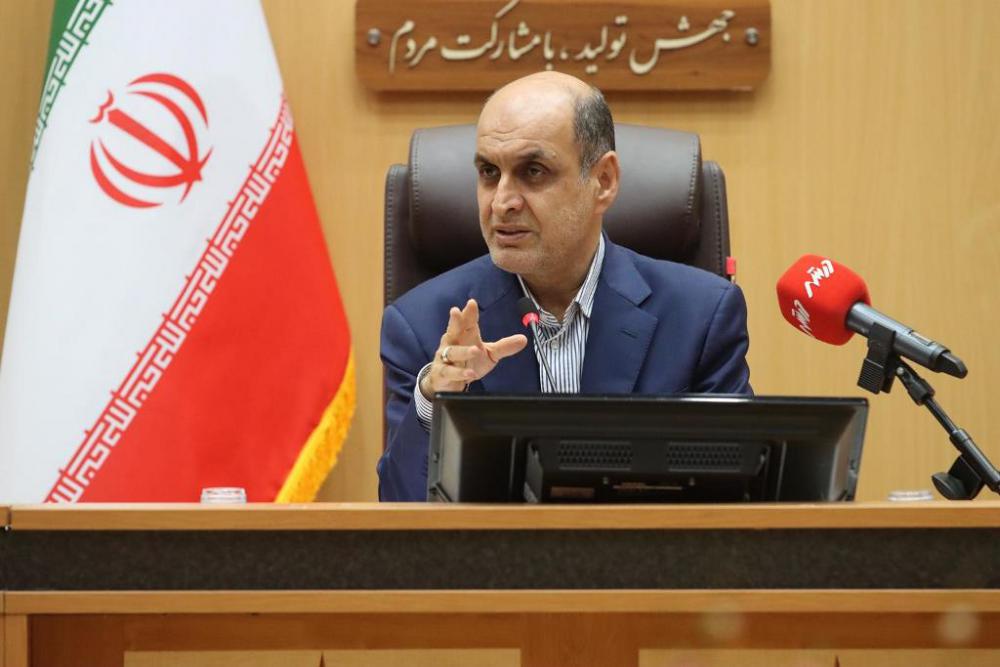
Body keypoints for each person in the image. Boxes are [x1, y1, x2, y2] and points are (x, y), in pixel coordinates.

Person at [378, 72, 751, 501]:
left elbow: (737, 499)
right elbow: (399, 509)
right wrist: (434, 400)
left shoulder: (701, 316)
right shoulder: (422, 326)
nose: (501, 202)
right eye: (488, 172)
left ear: (603, 181)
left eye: (533, 171)